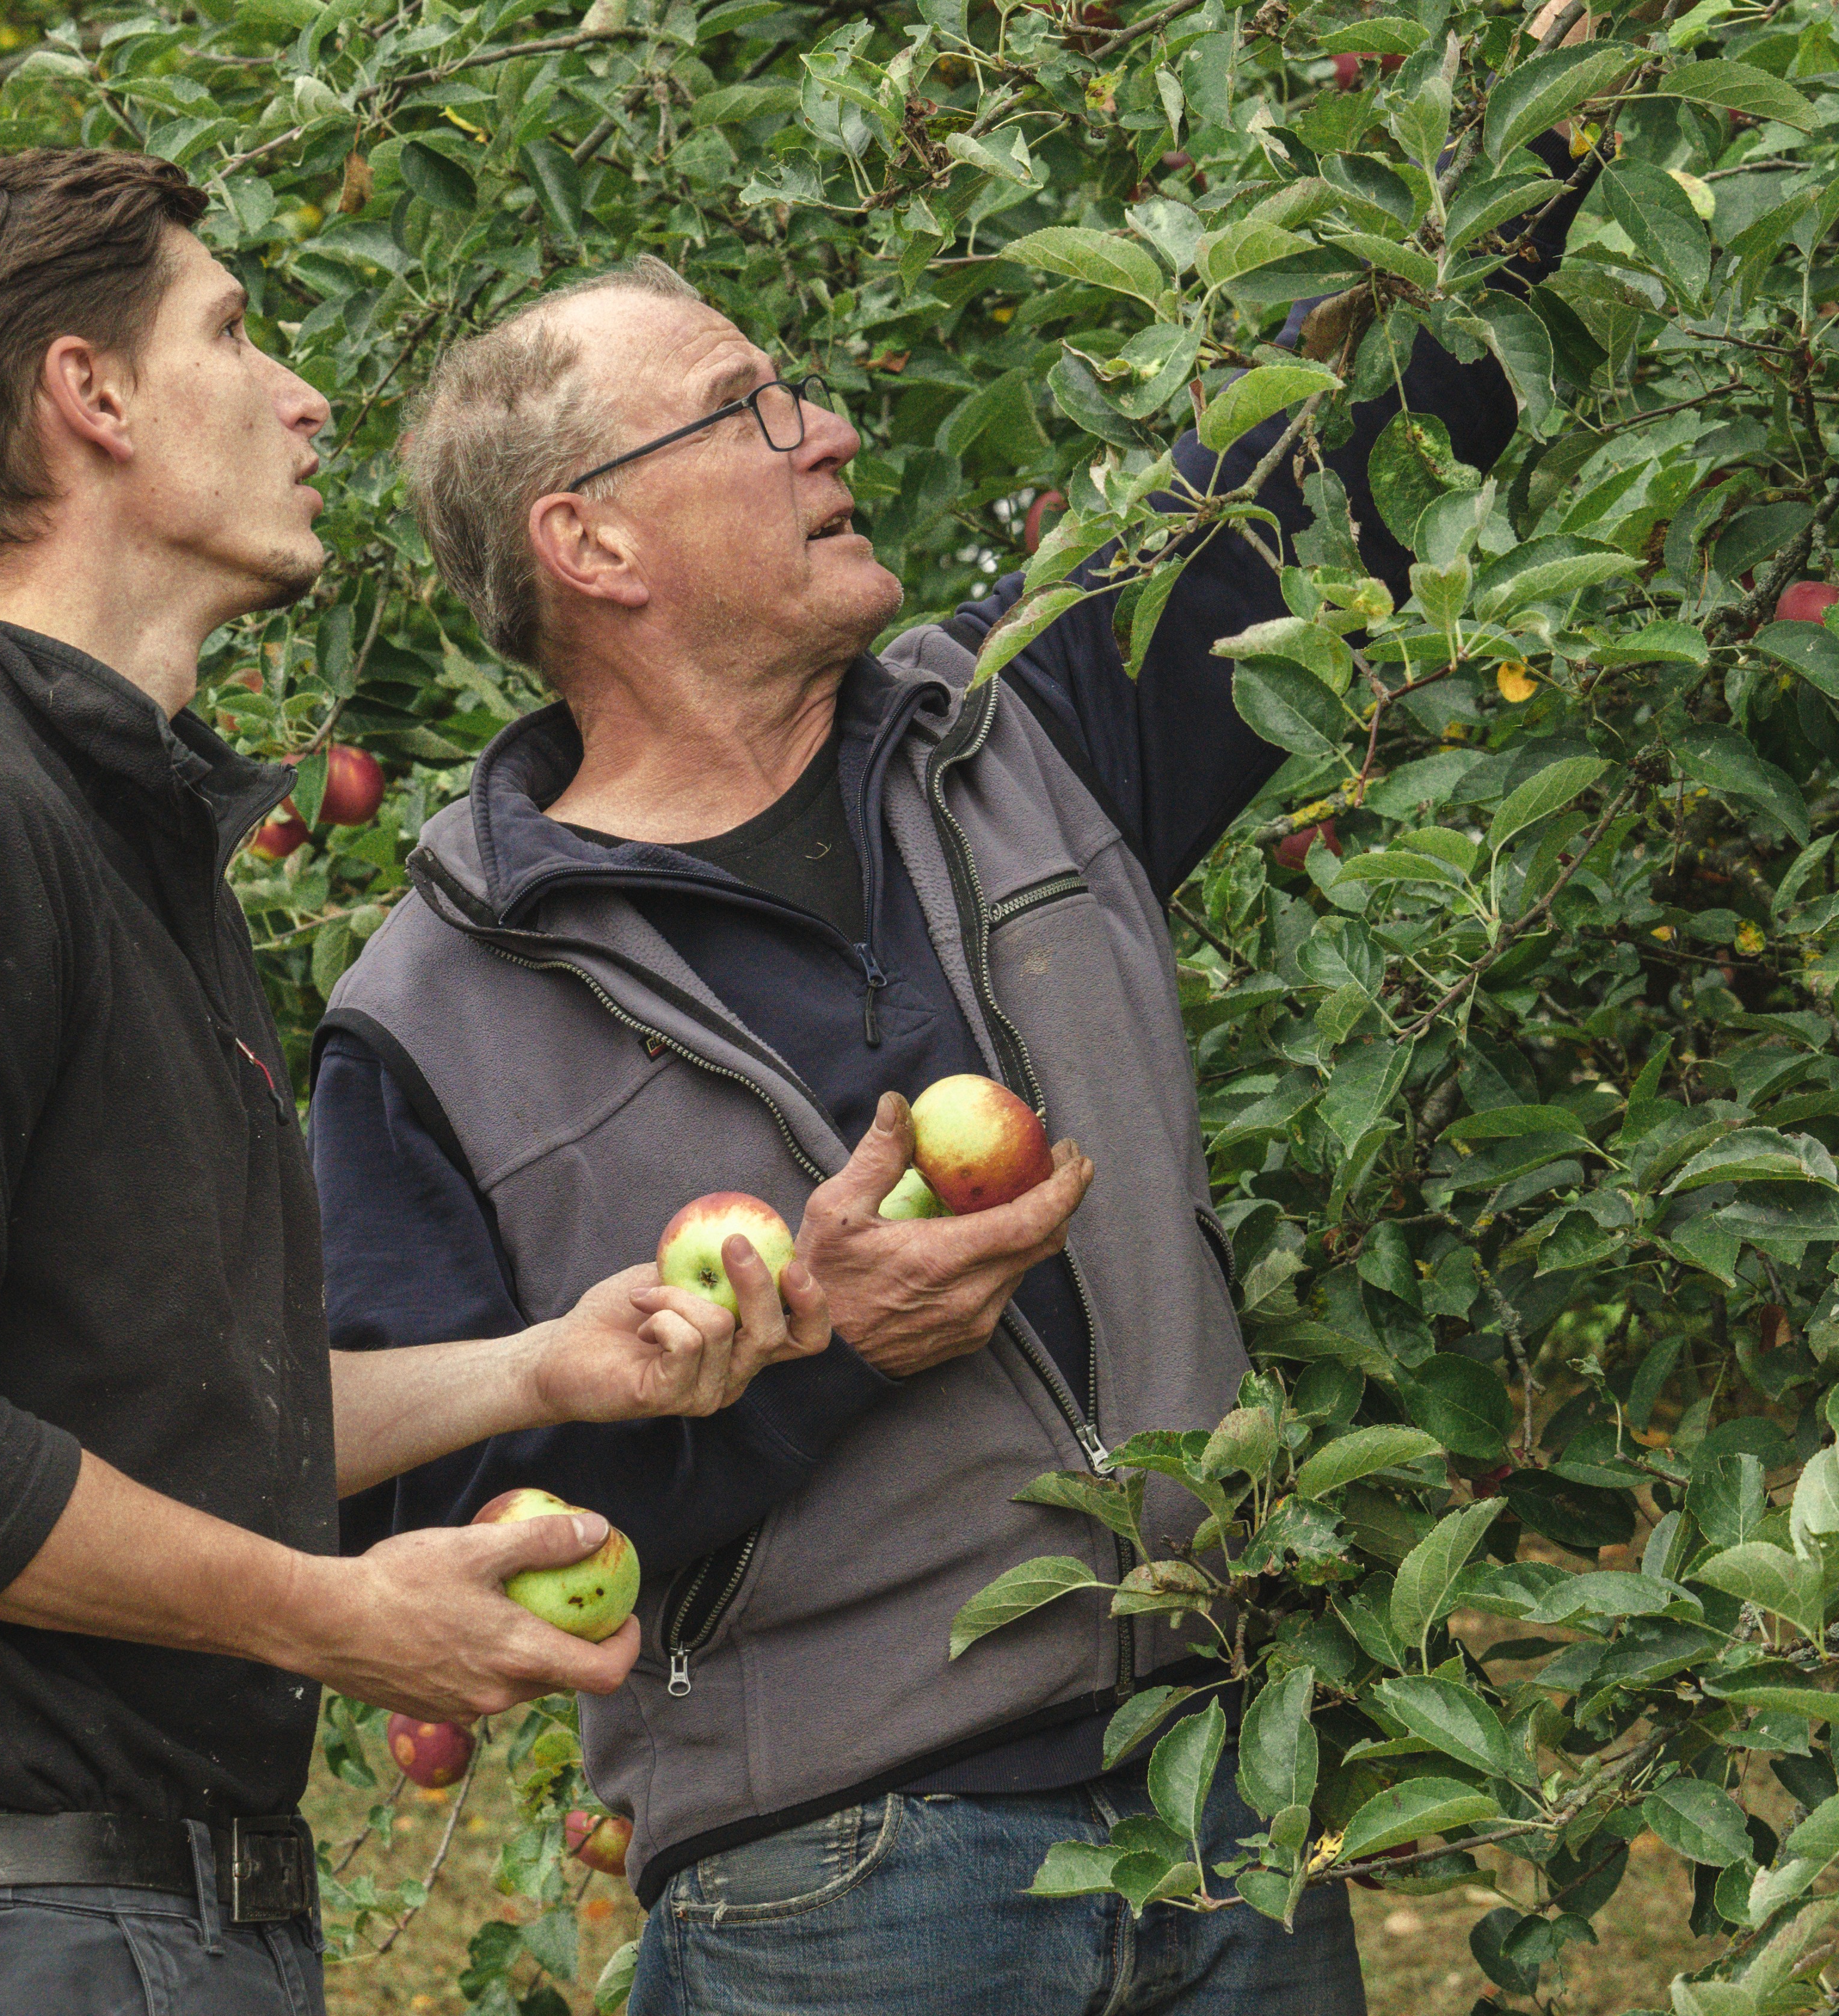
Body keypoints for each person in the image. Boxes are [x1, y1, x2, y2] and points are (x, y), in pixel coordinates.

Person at [312, 149, 1585, 2014]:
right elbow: (427, 1561)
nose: (823, 430)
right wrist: (807, 1348)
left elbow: (1343, 466)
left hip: (1222, 1791)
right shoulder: (429, 1015)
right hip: (841, 1873)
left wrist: (1545, 134)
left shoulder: (1019, 721)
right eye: (746, 409)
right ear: (594, 545)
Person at [0, 148, 826, 2016]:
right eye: (232, 329)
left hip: (151, 1926)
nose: (303, 394)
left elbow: (172, 1405)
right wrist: (338, 1616)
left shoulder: (126, 841)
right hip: (12, 1935)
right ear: (94, 397)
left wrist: (545, 1367)